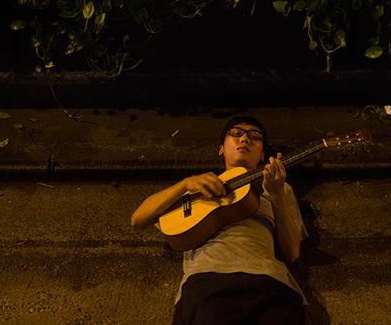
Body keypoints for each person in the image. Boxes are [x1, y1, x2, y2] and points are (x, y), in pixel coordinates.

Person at [131, 115, 307, 324]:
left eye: (255, 136)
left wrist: (276, 194)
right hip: (209, 282)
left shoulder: (280, 186)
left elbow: (292, 252)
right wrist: (184, 185)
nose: (245, 139)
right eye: (236, 133)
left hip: (273, 283)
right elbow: (138, 219)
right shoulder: (198, 187)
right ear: (221, 149)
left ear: (262, 154)